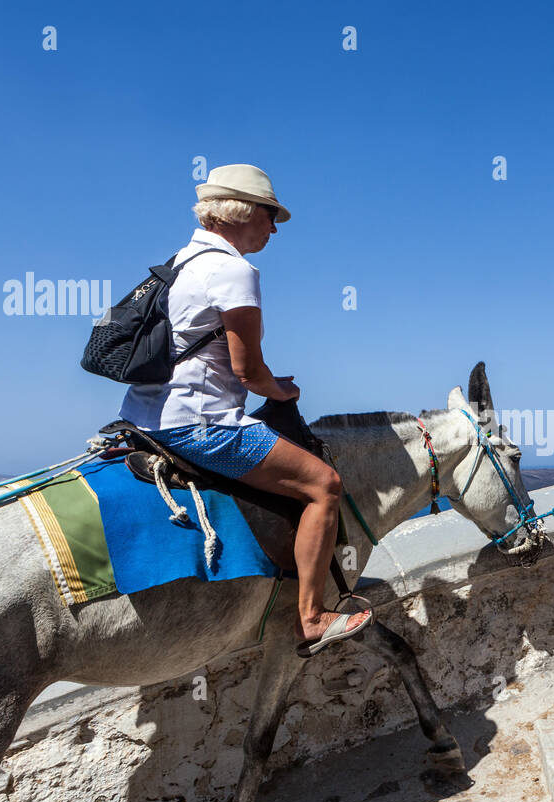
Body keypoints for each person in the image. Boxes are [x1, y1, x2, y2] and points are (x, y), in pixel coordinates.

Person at [119, 164, 370, 658]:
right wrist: (282, 391)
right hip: (201, 425)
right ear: (244, 211)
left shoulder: (178, 265)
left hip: (144, 418)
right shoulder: (234, 270)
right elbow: (249, 373)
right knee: (324, 486)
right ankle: (313, 617)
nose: (274, 228)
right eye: (270, 215)